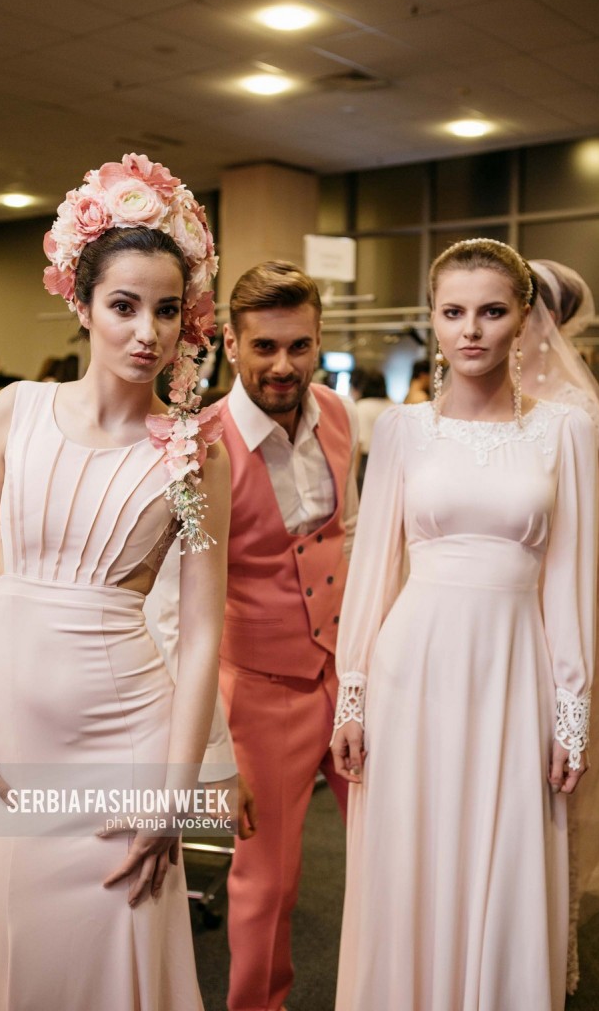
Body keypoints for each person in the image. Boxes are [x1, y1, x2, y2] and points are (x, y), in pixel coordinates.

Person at [0, 153, 230, 1010]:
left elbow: (204, 632)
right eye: (124, 306)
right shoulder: (15, 410)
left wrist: (173, 794)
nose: (148, 332)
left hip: (127, 742)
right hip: (15, 740)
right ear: (81, 303)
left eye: (168, 310)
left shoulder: (195, 455)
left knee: (121, 959)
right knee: (29, 952)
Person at [331, 238, 598, 1011]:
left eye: (490, 311)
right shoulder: (401, 430)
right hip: (410, 670)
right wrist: (352, 693)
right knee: (409, 852)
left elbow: (569, 581)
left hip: (515, 671)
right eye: (452, 312)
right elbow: (372, 568)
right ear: (433, 320)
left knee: (508, 851)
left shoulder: (563, 431)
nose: (470, 330)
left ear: (522, 319)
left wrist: (570, 710)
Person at [216, 260, 358, 1011]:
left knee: (390, 850)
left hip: (349, 673)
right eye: (264, 346)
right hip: (261, 692)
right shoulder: (202, 444)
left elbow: (350, 532)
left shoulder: (337, 412)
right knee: (267, 884)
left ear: (318, 340)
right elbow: (178, 607)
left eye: (299, 346)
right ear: (230, 344)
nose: (282, 365)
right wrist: (210, 741)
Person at [520, 258, 599, 992]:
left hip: (557, 616)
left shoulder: (575, 413)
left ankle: (547, 948)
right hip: (485, 615)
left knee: (552, 781)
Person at [350, 368, 392, 491]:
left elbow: (359, 442)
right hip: (388, 460)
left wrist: (353, 477)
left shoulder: (361, 407)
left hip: (365, 461)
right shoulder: (392, 407)